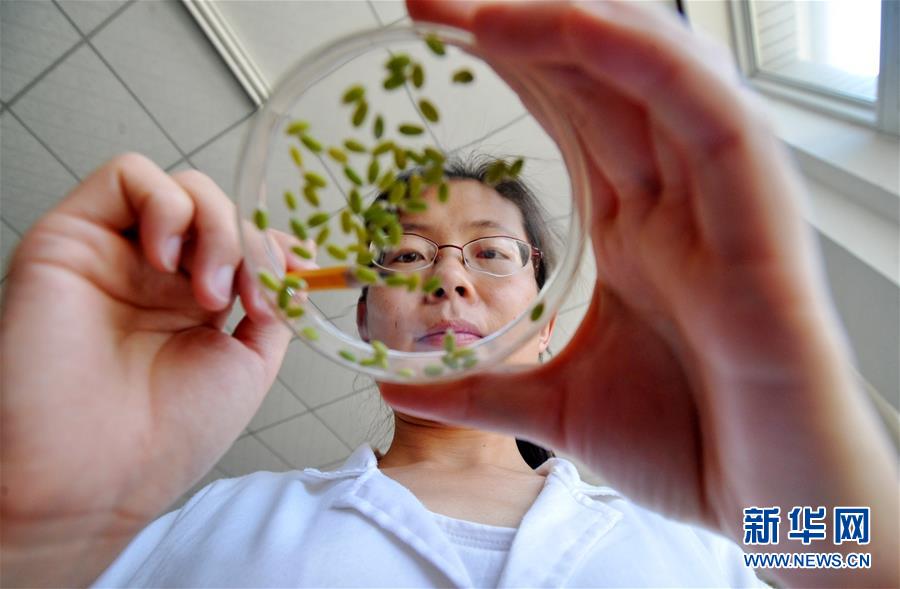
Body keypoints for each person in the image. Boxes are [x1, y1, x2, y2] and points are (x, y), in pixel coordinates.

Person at [1, 1, 896, 588]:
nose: (448, 276)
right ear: (364, 322)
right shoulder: (206, 526)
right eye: (404, 257)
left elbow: (862, 562)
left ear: (546, 323)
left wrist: (799, 498)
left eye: (492, 252)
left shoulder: (710, 535)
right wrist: (27, 527)